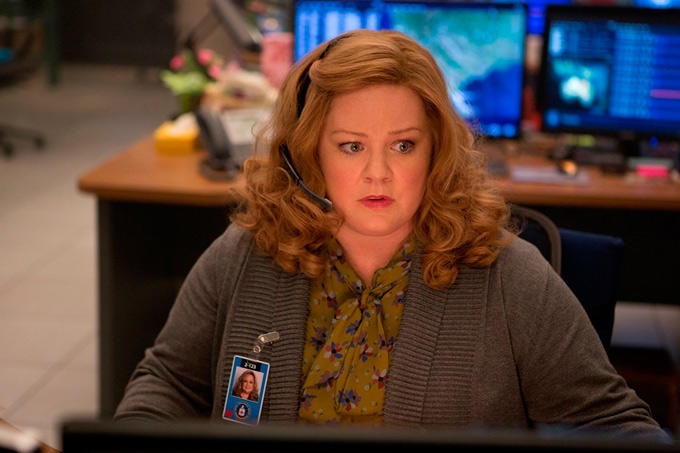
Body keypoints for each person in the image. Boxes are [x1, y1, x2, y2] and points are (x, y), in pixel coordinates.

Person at [114, 29, 671, 442]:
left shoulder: (509, 277)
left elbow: (619, 427)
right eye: (351, 146)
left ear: (435, 151)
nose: (377, 173)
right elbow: (168, 383)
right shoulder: (246, 256)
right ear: (307, 153)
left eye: (403, 145)